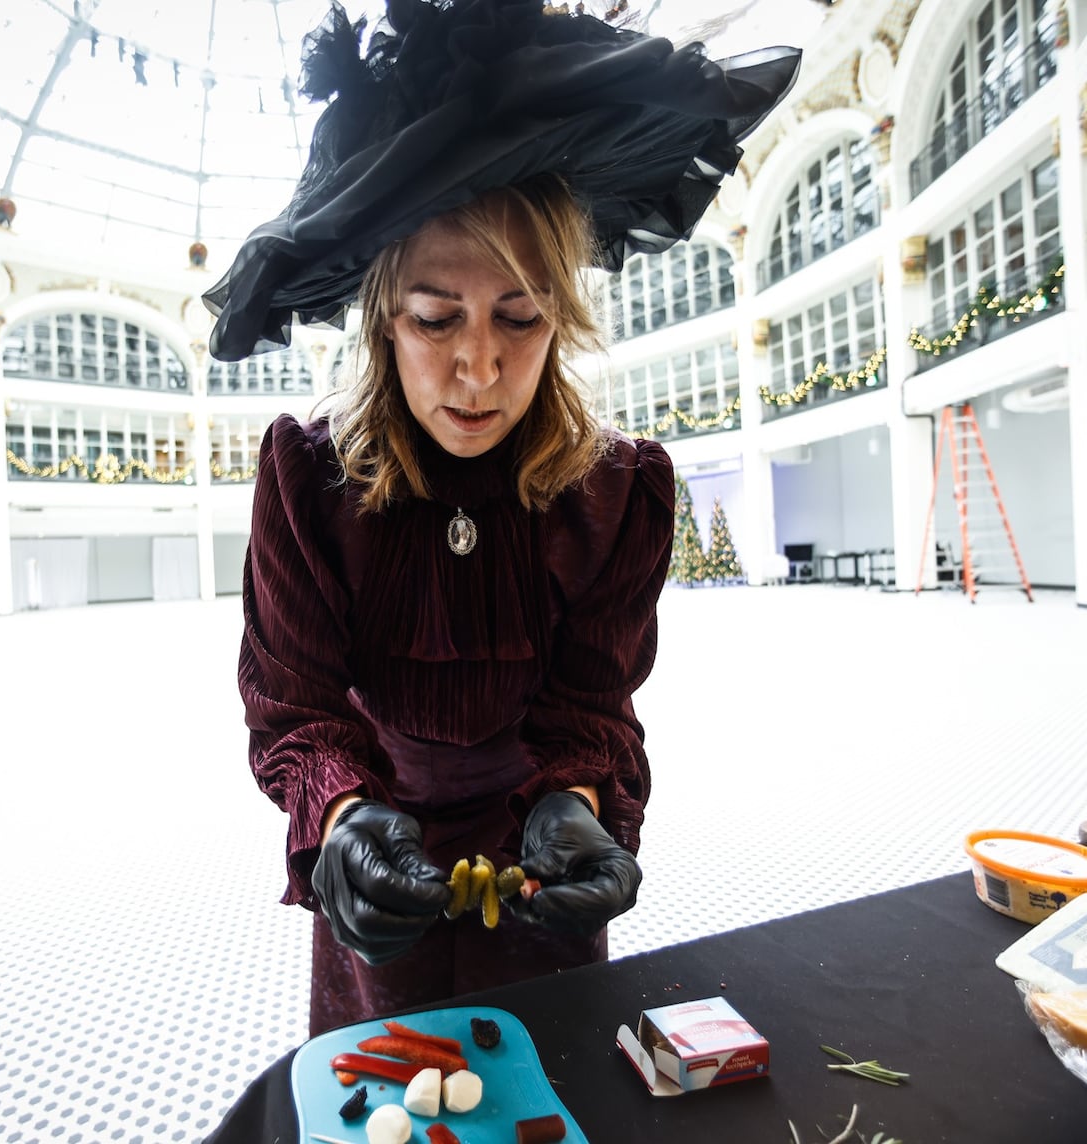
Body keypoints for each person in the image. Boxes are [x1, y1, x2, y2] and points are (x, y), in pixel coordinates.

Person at [203, 0, 799, 1035]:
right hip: (375, 868)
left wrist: (576, 802)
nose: (479, 366)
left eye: (519, 317)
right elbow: (293, 706)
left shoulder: (617, 493)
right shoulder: (308, 479)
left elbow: (590, 703)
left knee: (551, 1084)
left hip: (540, 872)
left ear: (560, 317)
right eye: (437, 318)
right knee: (400, 1089)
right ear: (383, 321)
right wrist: (342, 818)